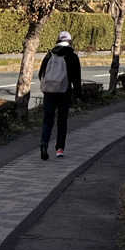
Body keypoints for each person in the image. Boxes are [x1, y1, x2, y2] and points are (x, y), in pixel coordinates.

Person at [38, 30, 82, 160]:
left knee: (47, 119)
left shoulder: (49, 55)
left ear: (58, 41)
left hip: (49, 92)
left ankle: (44, 143)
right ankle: (59, 149)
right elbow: (76, 78)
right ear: (69, 41)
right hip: (64, 92)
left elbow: (41, 74)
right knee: (62, 121)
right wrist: (78, 94)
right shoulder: (72, 56)